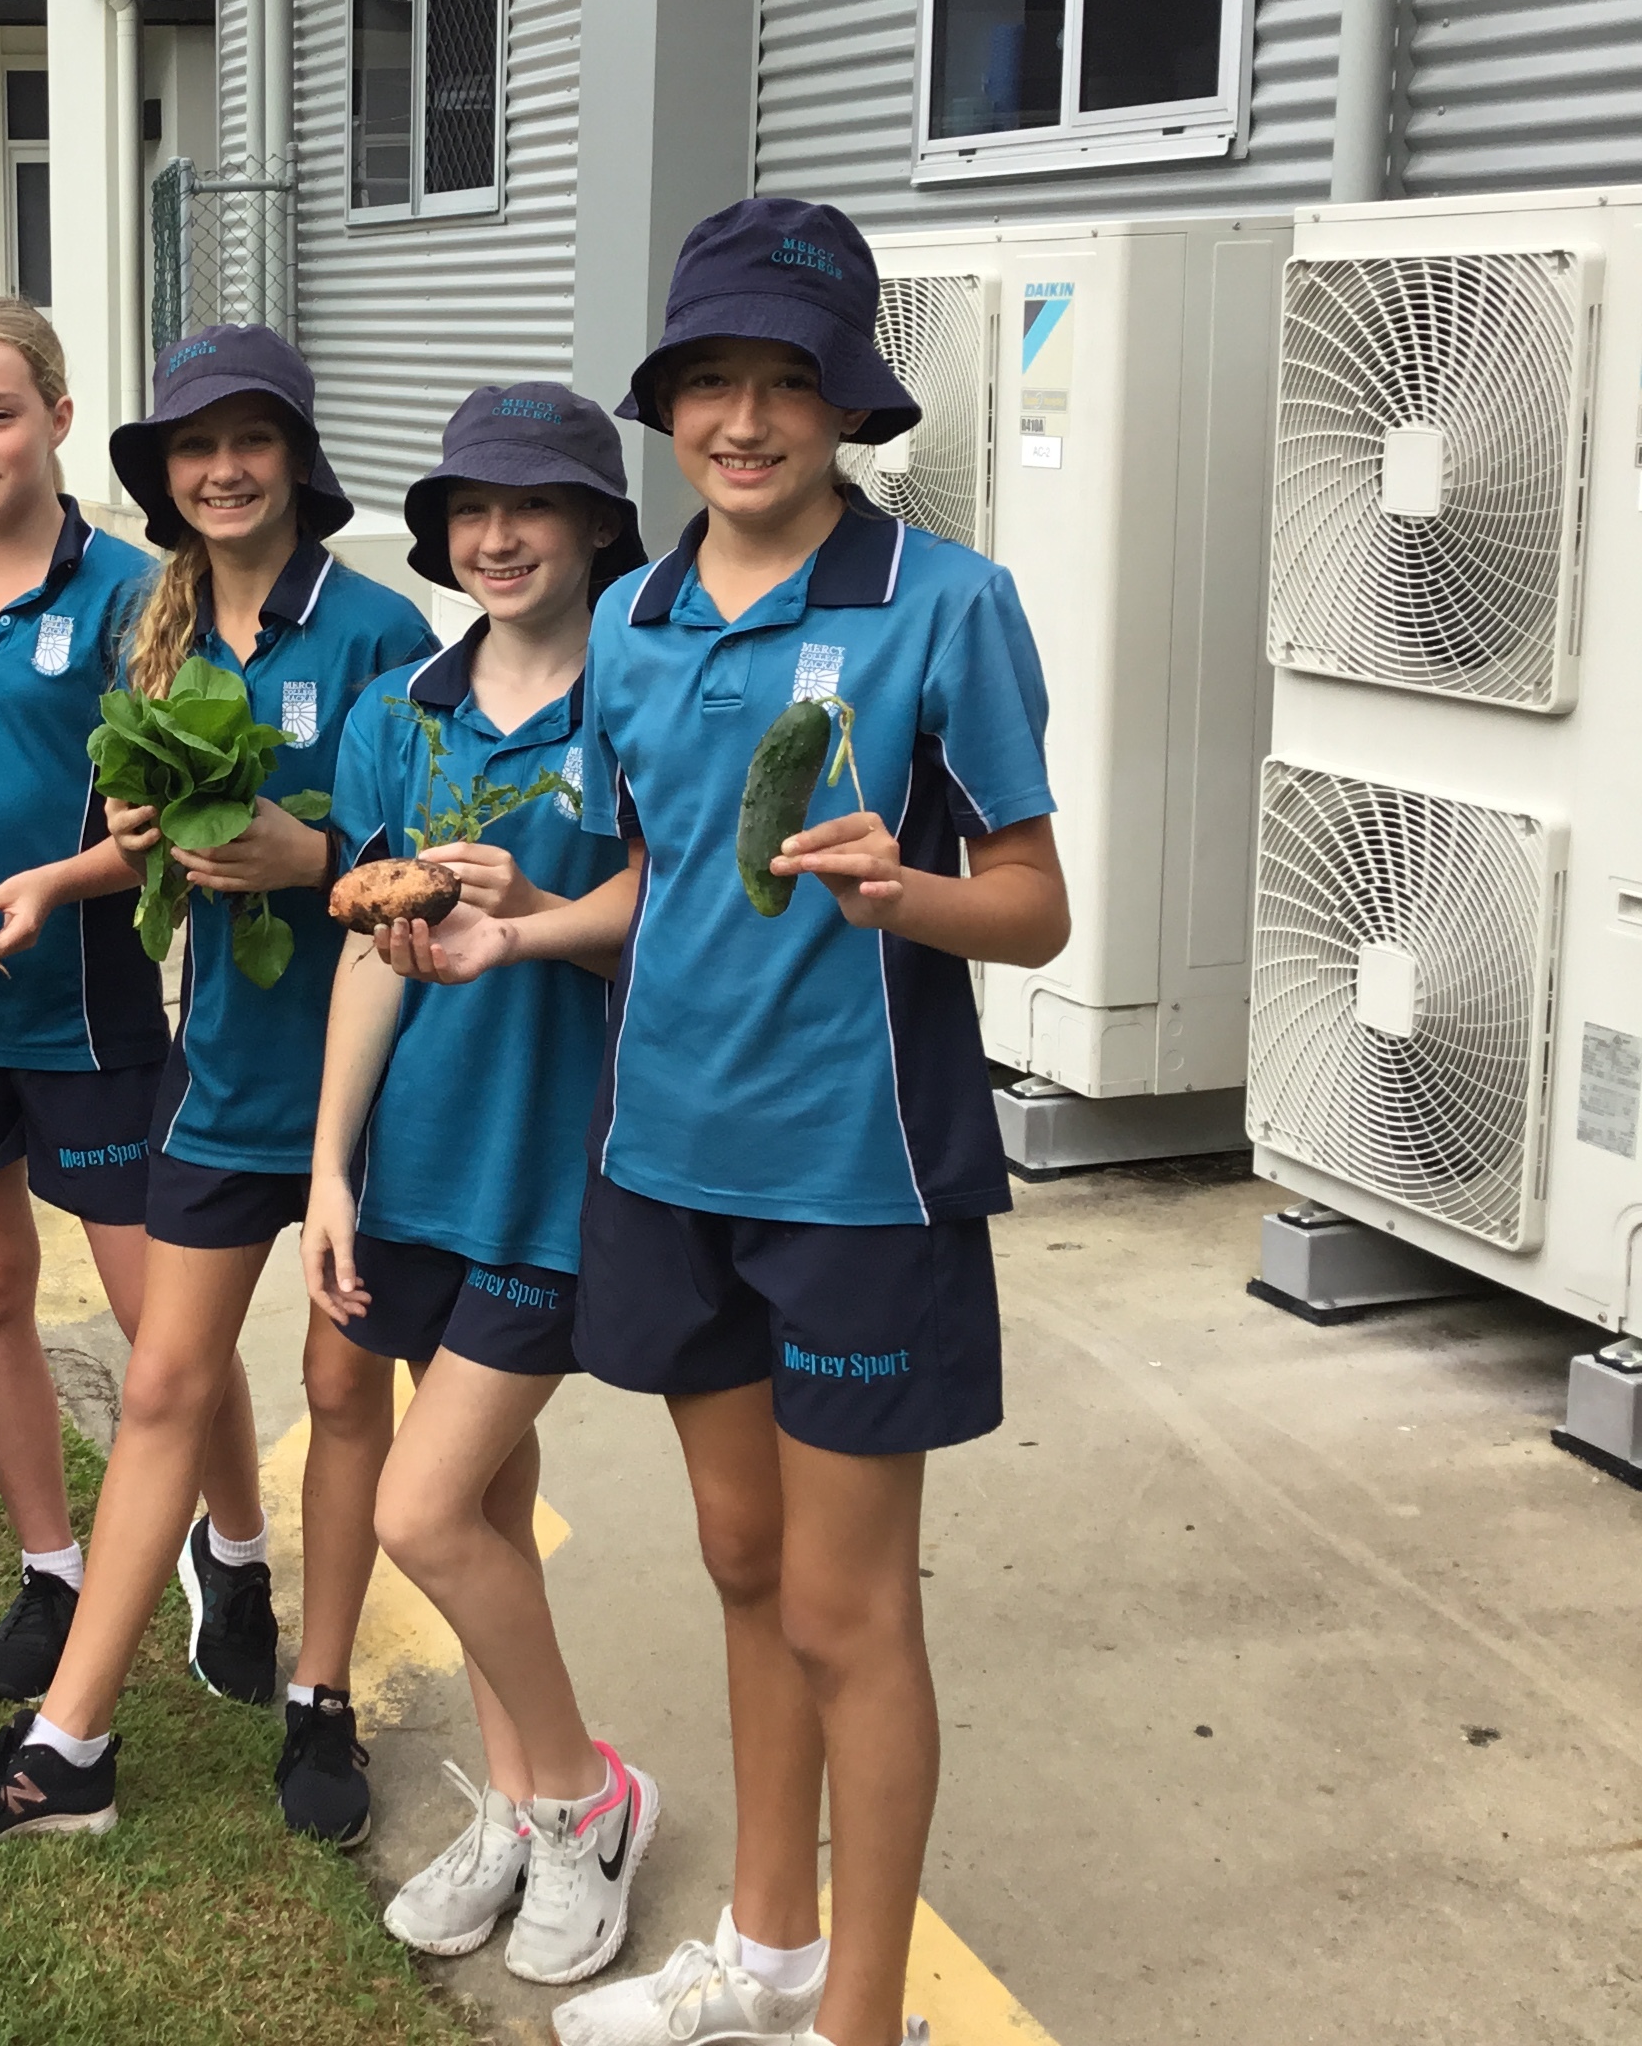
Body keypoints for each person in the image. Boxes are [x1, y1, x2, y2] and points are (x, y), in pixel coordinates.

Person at [464, 201, 1067, 2046]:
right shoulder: (631, 620)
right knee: (745, 1569)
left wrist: (908, 891)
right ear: (666, 405)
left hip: (858, 1178)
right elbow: (651, 885)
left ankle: (859, 2021)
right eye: (711, 381)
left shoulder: (944, 602)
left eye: (787, 382)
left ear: (847, 404)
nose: (744, 420)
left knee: (846, 1612)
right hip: (666, 1163)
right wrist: (516, 923)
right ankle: (768, 1952)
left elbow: (1035, 907)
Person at [0, 323, 434, 1850]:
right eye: (196, 446)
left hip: (378, 1084)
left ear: (299, 458)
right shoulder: (163, 635)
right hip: (226, 1070)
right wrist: (93, 861)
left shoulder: (381, 633)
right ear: (165, 470)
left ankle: (320, 1695)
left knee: (343, 1388)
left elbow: (429, 865)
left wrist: (317, 858)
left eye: (252, 441)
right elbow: (152, 843)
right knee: (164, 1389)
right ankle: (71, 1748)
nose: (224, 470)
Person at [0, 297, 259, 1706]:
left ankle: (236, 1550)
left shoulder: (138, 594)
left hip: (83, 1012)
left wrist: (52, 884)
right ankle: (51, 1566)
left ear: (60, 419)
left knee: (168, 1325)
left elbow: (175, 820)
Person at [302, 384, 658, 1979]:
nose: (497, 537)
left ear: (595, 526)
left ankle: (585, 1798)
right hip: (421, 1171)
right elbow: (368, 952)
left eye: (532, 507)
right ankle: (521, 1808)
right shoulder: (400, 711)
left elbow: (668, 907)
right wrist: (328, 1170)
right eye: (470, 510)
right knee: (494, 1506)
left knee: (423, 1508)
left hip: (559, 1173)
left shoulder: (639, 696)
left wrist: (532, 916)